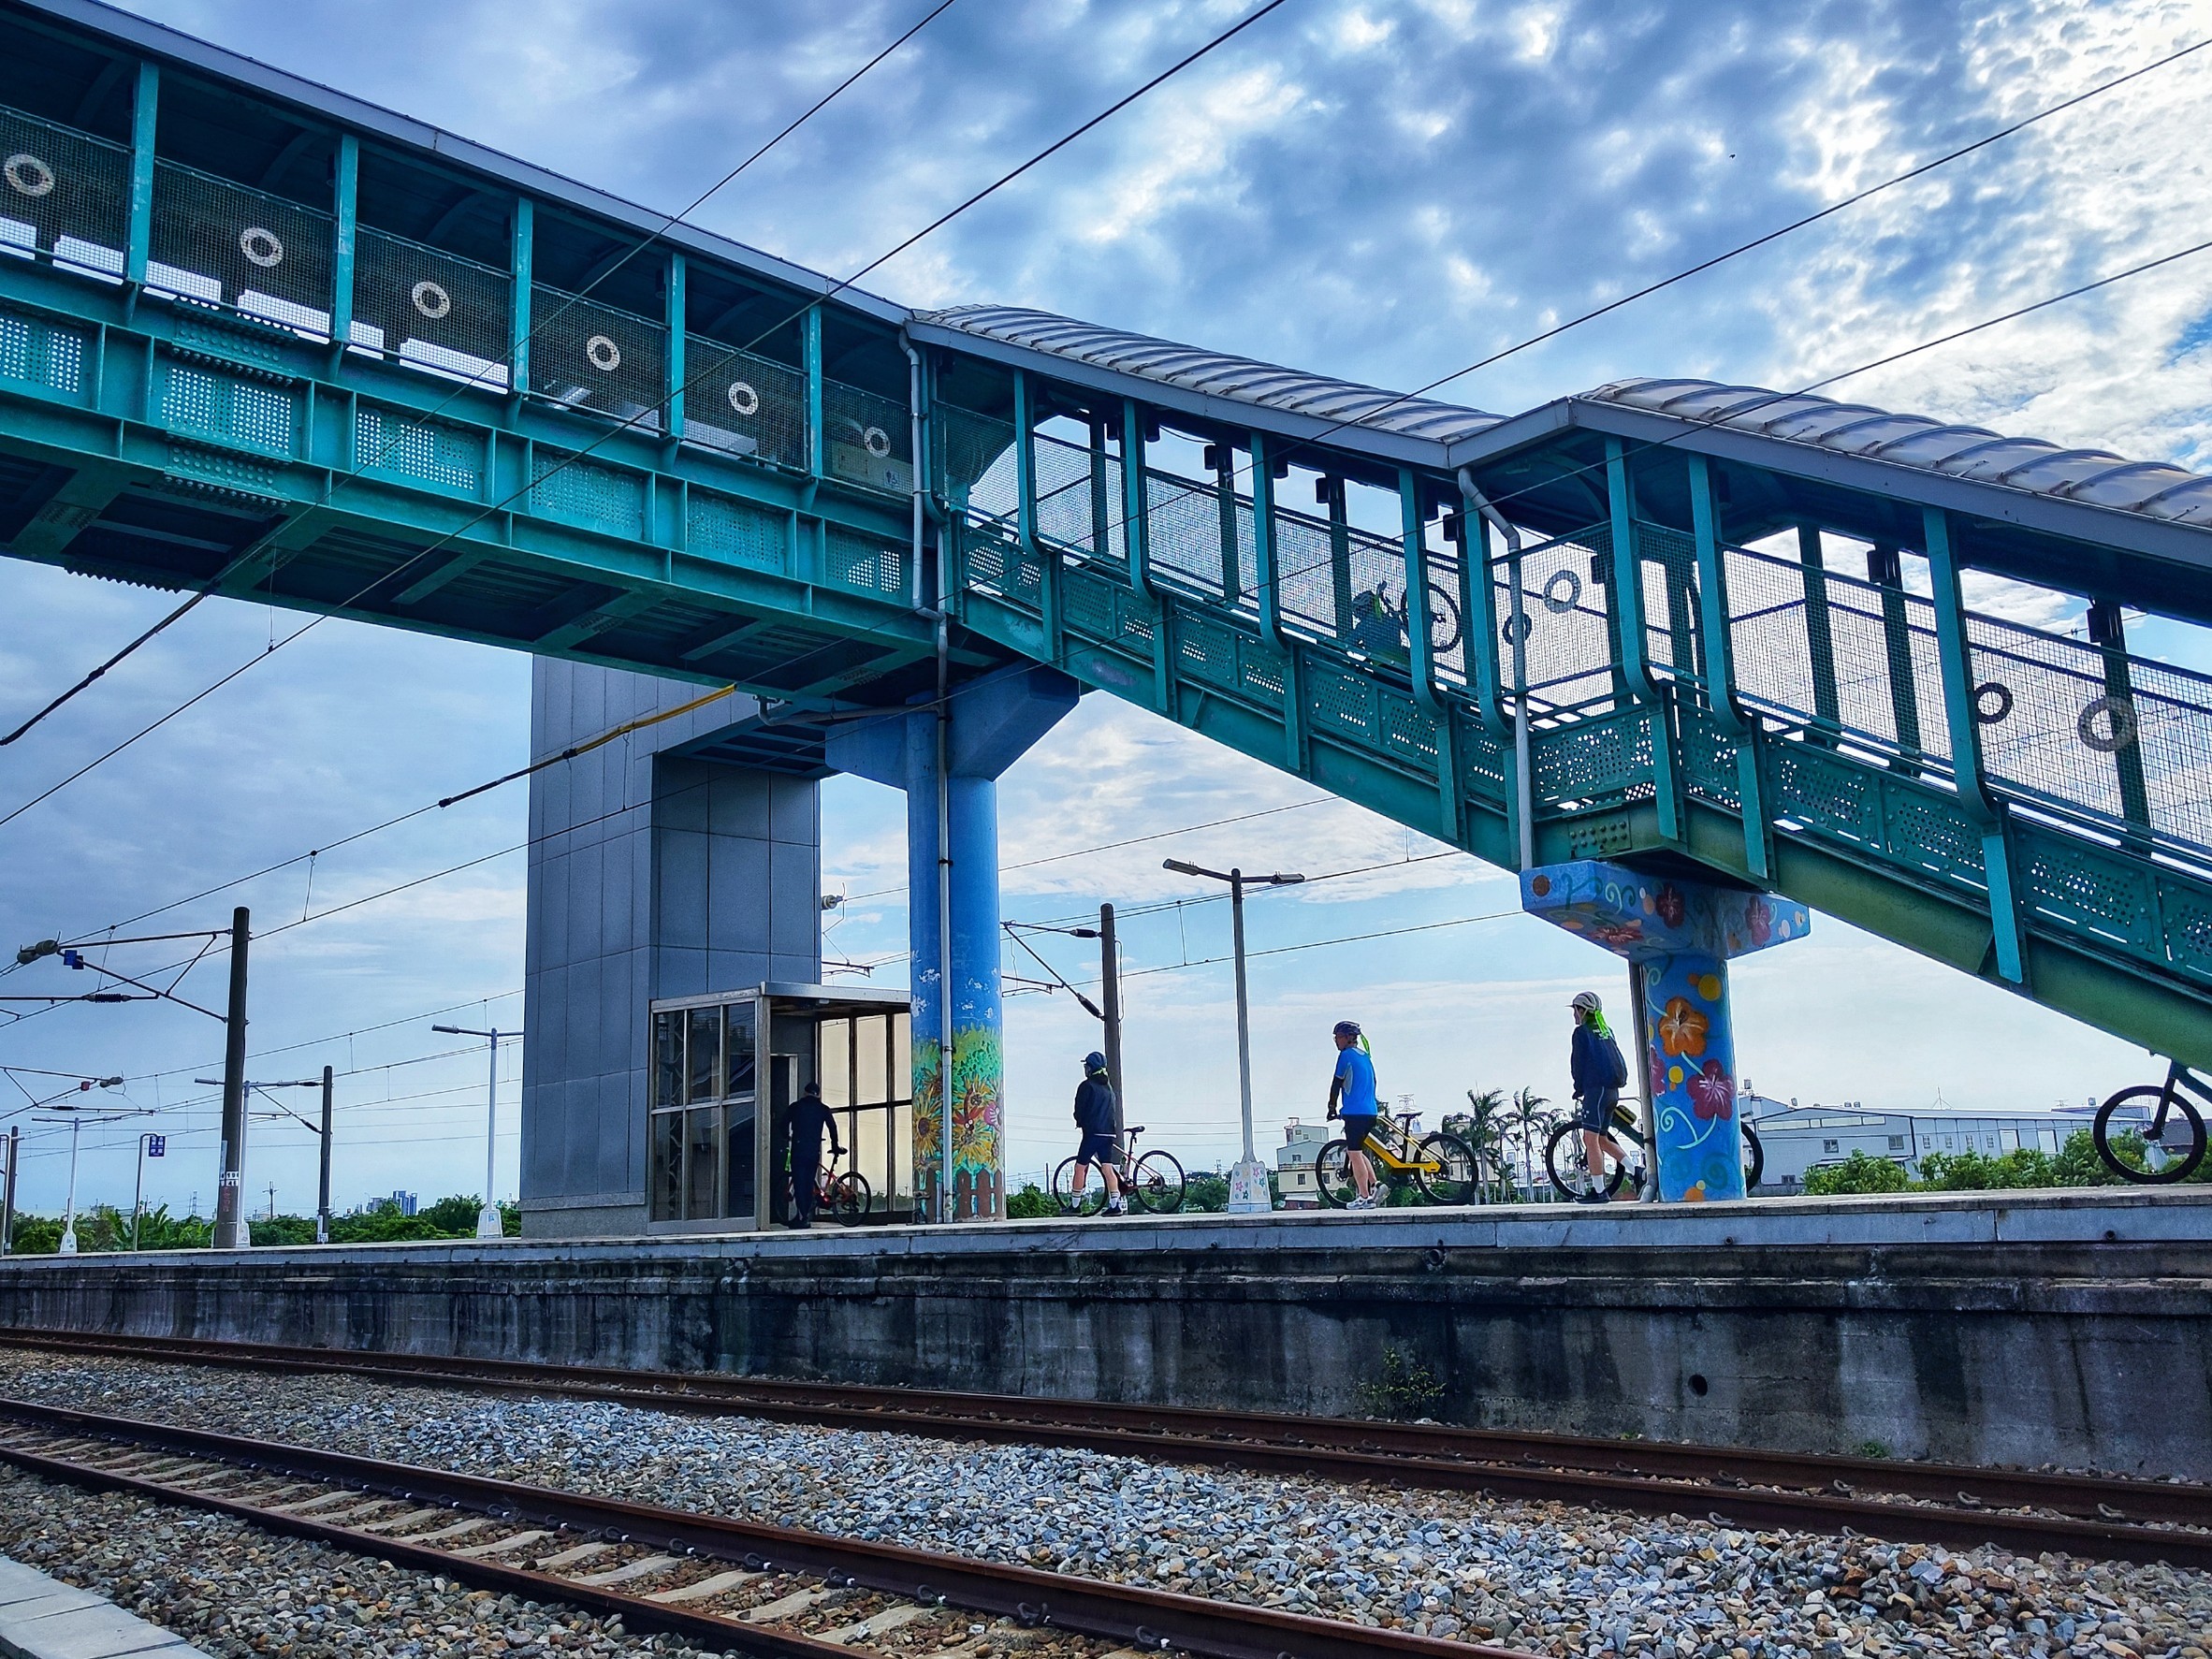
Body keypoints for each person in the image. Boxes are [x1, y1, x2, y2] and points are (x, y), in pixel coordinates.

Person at [1568, 991, 1636, 1201]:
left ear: (1583, 1010)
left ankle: (1599, 1191)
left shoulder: (1582, 1033)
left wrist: (1578, 1087)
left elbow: (1577, 1064)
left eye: (1576, 1010)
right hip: (1612, 1091)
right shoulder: (1607, 1031)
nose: (1574, 1015)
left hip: (1595, 1091)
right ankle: (1638, 1172)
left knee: (1590, 1139)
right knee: (1603, 1139)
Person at [1326, 1020, 1381, 1208]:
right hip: (1371, 1111)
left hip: (1355, 1112)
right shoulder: (1365, 1056)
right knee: (1354, 1149)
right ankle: (1375, 1185)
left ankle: (1364, 1198)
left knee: (1354, 1153)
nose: (1336, 1041)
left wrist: (1331, 1107)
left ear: (1349, 1038)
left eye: (1338, 1037)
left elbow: (1336, 1083)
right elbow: (1374, 1081)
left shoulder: (1345, 1056)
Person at [1068, 1051, 1126, 1215]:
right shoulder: (1108, 1088)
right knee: (1107, 1168)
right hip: (1108, 1133)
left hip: (1092, 1133)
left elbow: (1079, 1110)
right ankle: (1115, 1205)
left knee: (1080, 1167)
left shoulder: (1086, 1086)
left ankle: (1075, 1204)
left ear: (1090, 1068)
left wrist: (1079, 1121)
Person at [786, 1081, 843, 1229]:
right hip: (813, 1151)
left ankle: (802, 1217)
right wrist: (834, 1145)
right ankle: (803, 1216)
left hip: (799, 1150)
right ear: (818, 1094)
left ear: (805, 1093)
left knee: (800, 1184)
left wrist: (788, 1137)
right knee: (808, 1182)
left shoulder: (796, 1107)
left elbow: (782, 1124)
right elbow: (832, 1127)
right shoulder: (823, 1109)